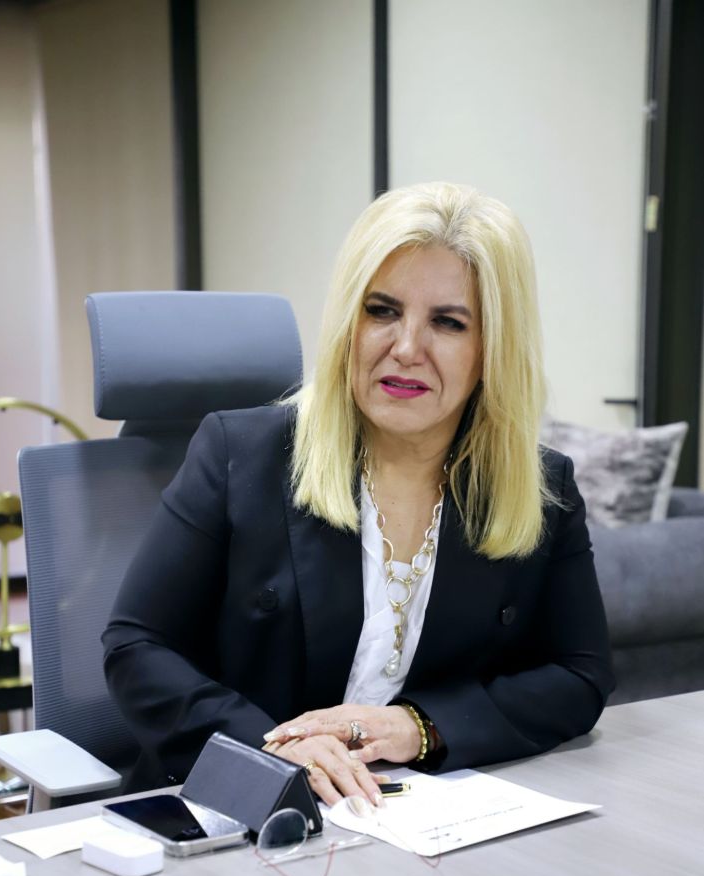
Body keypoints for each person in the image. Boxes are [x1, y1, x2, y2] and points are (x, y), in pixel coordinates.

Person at [103, 181, 614, 806]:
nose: (406, 349)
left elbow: (581, 675)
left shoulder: (540, 488)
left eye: (448, 322)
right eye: (382, 311)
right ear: (349, 323)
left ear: (493, 350)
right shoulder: (241, 453)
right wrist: (270, 748)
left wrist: (419, 727)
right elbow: (136, 646)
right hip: (235, 809)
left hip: (410, 813)